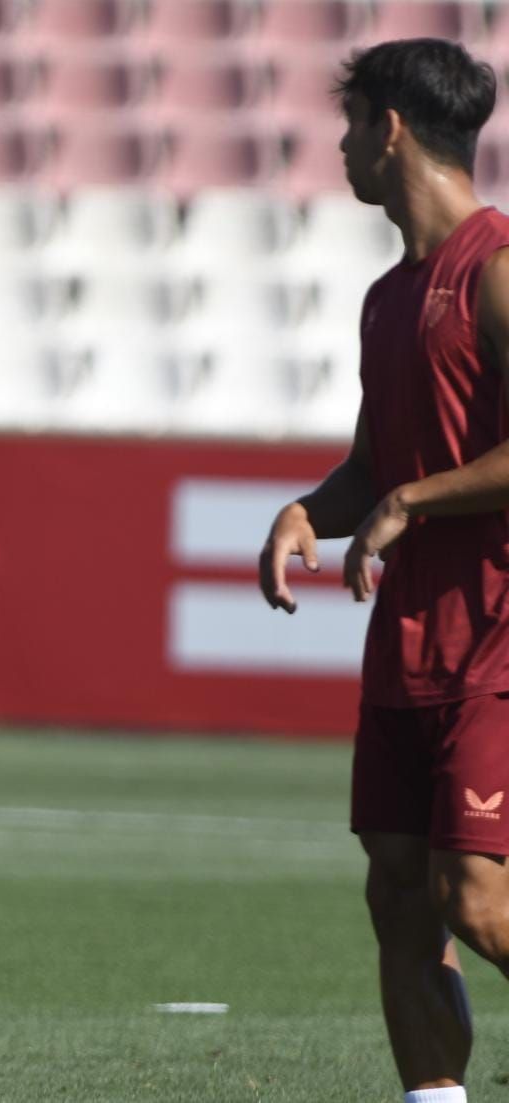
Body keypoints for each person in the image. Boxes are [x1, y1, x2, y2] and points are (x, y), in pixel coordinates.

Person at [260, 39, 509, 1103]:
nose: (341, 147)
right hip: (406, 638)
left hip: (497, 634)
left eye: (351, 123)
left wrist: (409, 501)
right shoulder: (386, 297)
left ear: (390, 128)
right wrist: (305, 512)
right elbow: (373, 466)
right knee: (399, 895)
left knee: (474, 897)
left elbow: (407, 486)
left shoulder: (497, 267)